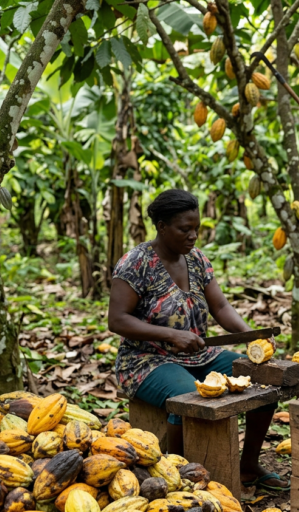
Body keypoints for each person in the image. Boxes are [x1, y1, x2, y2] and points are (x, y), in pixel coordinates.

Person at [108, 189, 288, 492]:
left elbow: (220, 307)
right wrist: (171, 334)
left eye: (197, 229)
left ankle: (249, 465)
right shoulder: (136, 263)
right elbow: (117, 320)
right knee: (189, 398)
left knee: (263, 380)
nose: (193, 236)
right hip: (146, 360)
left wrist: (252, 336)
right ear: (162, 226)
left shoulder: (196, 259)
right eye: (184, 229)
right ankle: (177, 475)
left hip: (200, 355)